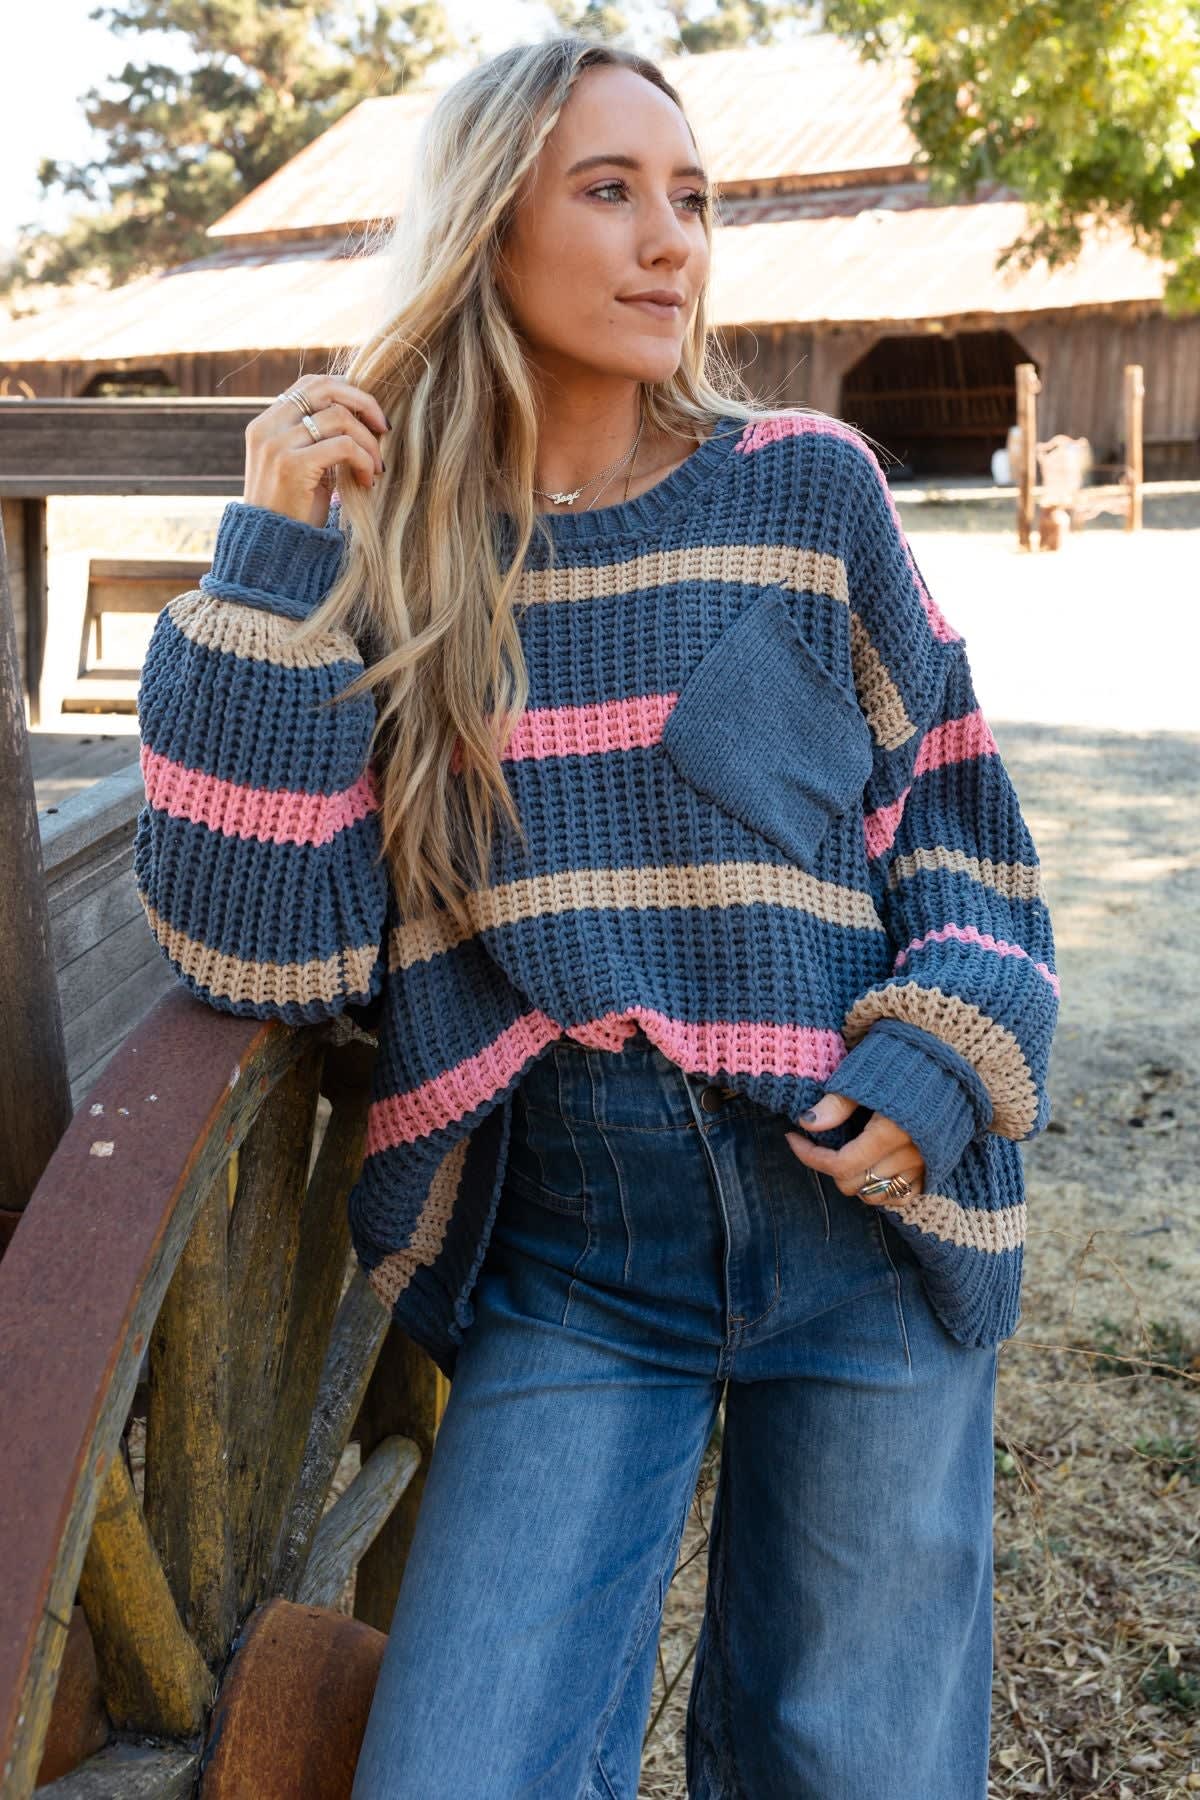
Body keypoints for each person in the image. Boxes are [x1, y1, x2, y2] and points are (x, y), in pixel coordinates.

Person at [133, 33, 1060, 1800]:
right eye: (611, 191)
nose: (670, 241)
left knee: (852, 1768)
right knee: (458, 1771)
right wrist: (272, 558)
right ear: (489, 231)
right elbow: (266, 946)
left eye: (691, 200)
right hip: (578, 1252)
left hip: (863, 1216)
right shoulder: (407, 561)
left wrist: (938, 1070)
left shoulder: (807, 487)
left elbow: (961, 833)